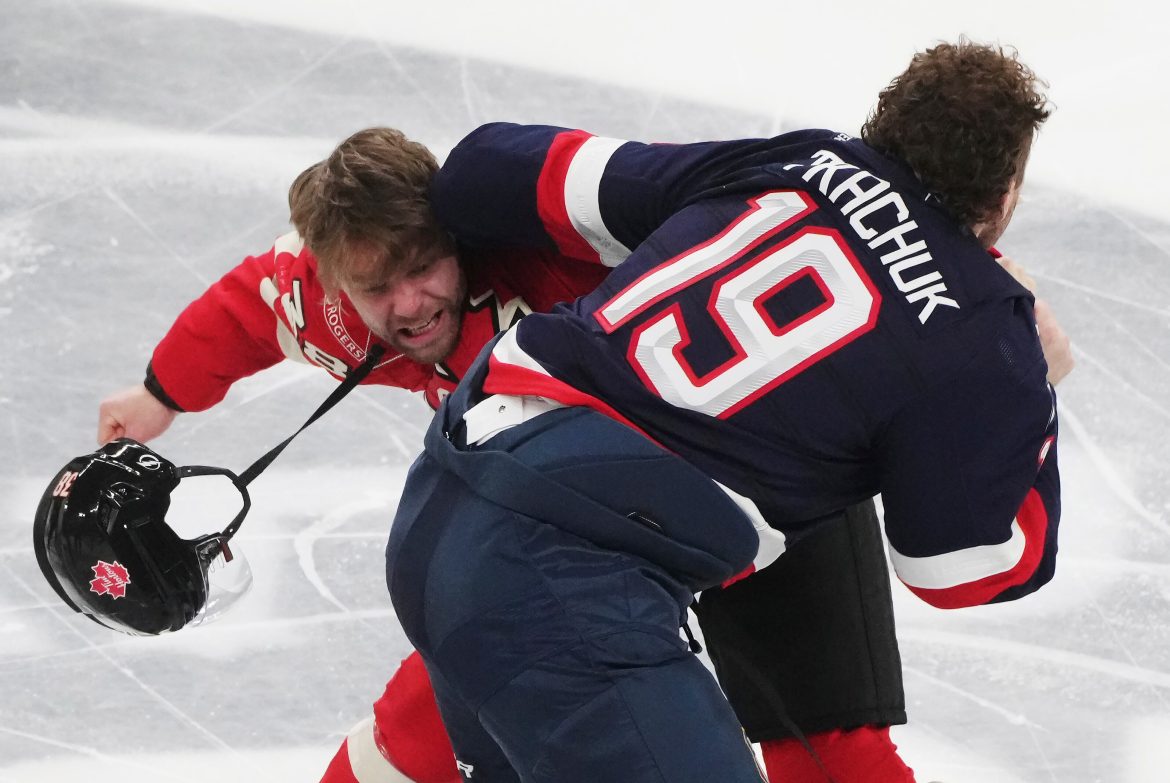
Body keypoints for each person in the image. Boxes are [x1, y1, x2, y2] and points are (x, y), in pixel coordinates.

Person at [99, 128, 927, 782]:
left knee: (834, 758)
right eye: (374, 288)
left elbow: (770, 218)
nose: (408, 305)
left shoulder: (557, 244)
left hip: (758, 483)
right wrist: (159, 395)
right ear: (331, 283)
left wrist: (948, 286)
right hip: (581, 533)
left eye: (423, 268)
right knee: (416, 739)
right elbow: (247, 310)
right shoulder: (330, 309)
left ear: (456, 235)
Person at [383, 39, 1071, 783]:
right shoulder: (984, 325)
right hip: (565, 579)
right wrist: (1039, 400)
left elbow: (483, 170)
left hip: (442, 497)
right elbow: (959, 569)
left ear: (883, 126)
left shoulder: (789, 160)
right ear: (1005, 194)